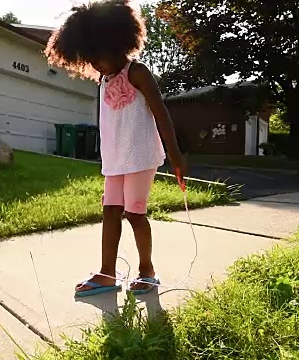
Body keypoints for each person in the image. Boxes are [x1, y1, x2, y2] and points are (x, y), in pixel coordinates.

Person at [45, 0, 187, 297]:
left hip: (140, 155)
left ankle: (147, 270)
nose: (95, 64)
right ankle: (107, 273)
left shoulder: (138, 72)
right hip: (115, 158)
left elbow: (161, 113)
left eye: (98, 56)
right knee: (110, 211)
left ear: (117, 42)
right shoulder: (104, 79)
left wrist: (175, 155)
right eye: (89, 58)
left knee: (135, 213)